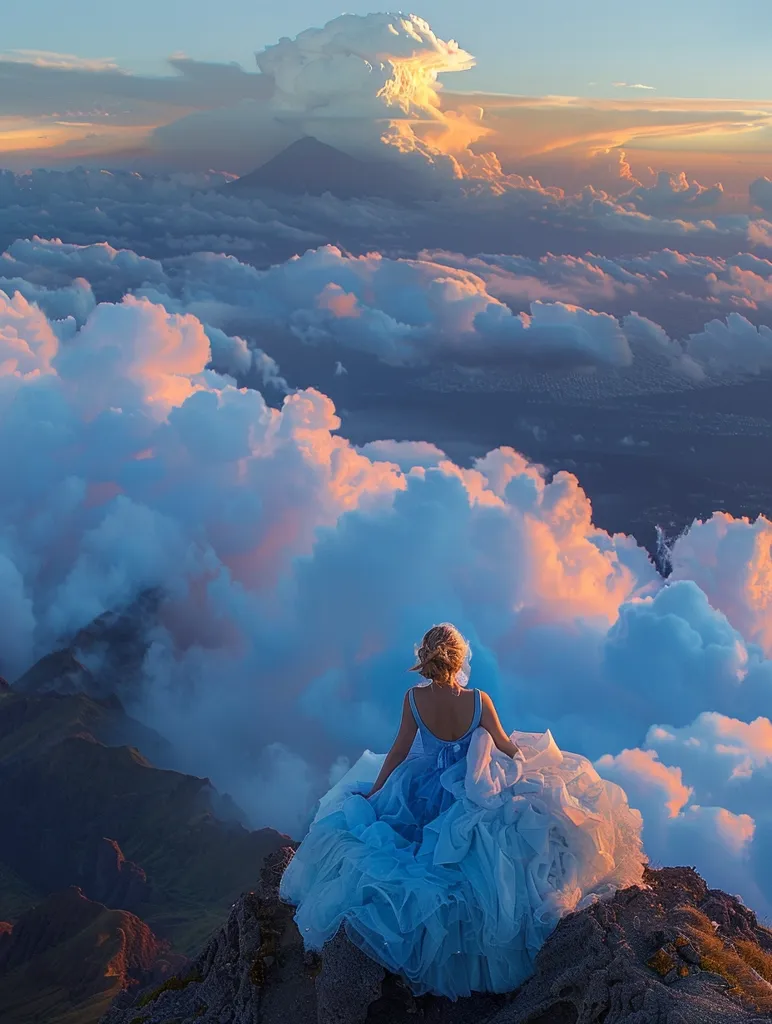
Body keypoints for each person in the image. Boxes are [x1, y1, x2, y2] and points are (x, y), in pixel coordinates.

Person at [280, 623, 645, 1000]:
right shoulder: (479, 701)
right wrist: (524, 764)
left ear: (426, 656)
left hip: (420, 793)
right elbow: (504, 745)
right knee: (480, 866)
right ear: (459, 659)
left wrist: (377, 789)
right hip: (466, 794)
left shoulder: (413, 699)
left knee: (400, 851)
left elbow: (400, 750)